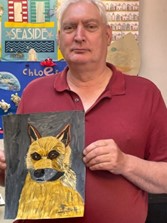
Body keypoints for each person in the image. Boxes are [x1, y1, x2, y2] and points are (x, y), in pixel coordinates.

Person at [0, 0, 167, 222]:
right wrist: (4, 171)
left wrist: (125, 163)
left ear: (107, 35)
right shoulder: (33, 92)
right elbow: (18, 179)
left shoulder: (145, 93)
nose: (79, 36)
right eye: (70, 28)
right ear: (59, 38)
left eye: (90, 26)